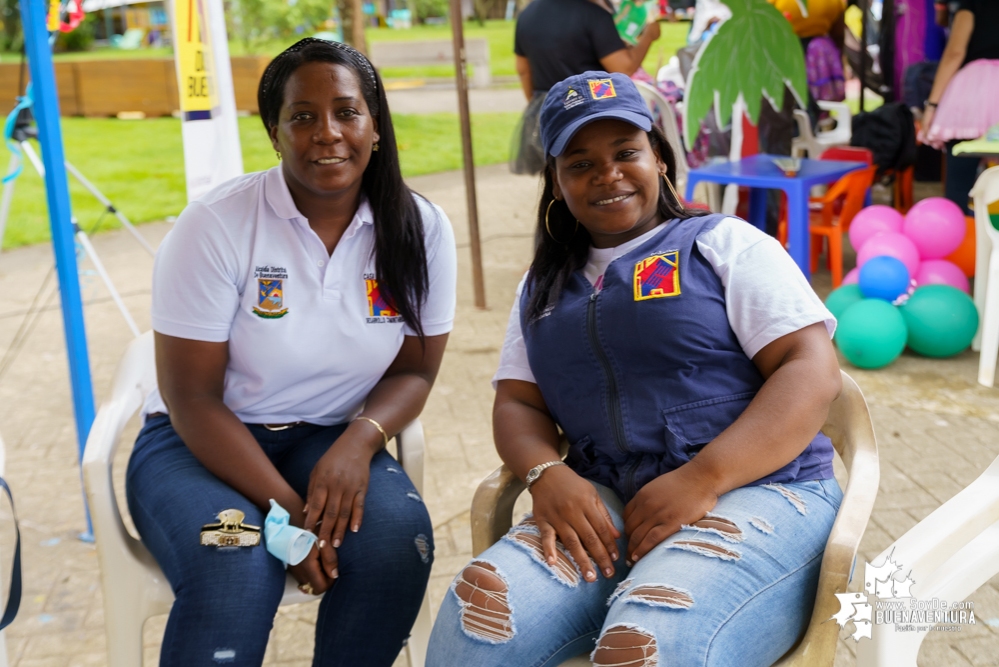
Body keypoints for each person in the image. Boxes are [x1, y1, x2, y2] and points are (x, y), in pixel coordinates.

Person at [426, 71, 843, 666]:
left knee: (644, 643)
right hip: (610, 501)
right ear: (556, 182)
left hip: (763, 490)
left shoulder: (723, 244)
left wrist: (704, 478)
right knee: (479, 613)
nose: (608, 174)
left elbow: (810, 368)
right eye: (580, 163)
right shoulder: (541, 287)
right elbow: (518, 403)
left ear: (660, 160)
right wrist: (546, 473)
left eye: (626, 152)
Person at [125, 38, 457, 666]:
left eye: (347, 111)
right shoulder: (216, 225)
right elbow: (191, 397)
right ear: (274, 133)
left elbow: (416, 369)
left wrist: (360, 441)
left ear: (376, 124)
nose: (327, 133)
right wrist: (288, 515)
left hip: (326, 438)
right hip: (195, 445)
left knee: (394, 544)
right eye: (302, 116)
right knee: (237, 561)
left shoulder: (420, 228)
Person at [510, 0, 662, 174]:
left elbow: (523, 70)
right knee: (597, 175)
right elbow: (623, 67)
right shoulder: (593, 14)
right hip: (591, 112)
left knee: (560, 174)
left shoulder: (527, 14)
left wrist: (543, 108)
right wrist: (649, 35)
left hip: (545, 108)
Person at [921, 0, 999, 214]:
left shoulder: (972, 4)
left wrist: (932, 105)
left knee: (959, 188)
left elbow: (955, 52)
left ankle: (966, 241)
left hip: (974, 93)